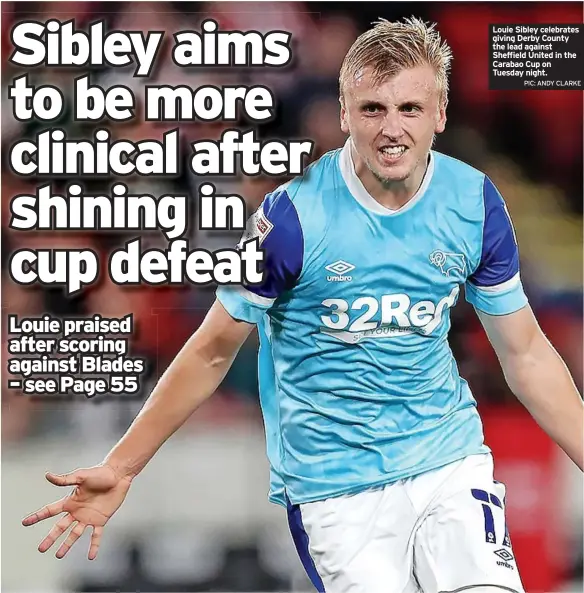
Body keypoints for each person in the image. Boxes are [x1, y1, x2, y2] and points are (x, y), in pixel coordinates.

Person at [22, 17, 583, 593]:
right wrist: (121, 466)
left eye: (410, 109)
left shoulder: (474, 202)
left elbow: (527, 355)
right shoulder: (293, 220)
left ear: (440, 114)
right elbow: (213, 350)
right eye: (372, 109)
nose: (392, 129)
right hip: (335, 490)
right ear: (344, 115)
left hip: (449, 463)